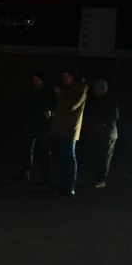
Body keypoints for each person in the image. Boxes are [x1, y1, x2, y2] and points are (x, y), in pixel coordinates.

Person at [47, 67, 88, 196]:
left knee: (69, 159)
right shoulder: (69, 89)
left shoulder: (80, 89)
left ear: (73, 77)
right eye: (63, 76)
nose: (64, 79)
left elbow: (71, 105)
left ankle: (70, 187)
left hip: (69, 130)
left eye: (67, 76)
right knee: (64, 159)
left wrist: (60, 93)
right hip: (60, 129)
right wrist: (52, 112)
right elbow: (62, 107)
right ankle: (64, 185)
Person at [15, 71, 56, 183]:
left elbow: (54, 106)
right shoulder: (30, 91)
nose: (35, 81)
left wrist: (51, 112)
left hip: (42, 126)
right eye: (34, 79)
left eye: (37, 79)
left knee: (44, 152)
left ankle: (46, 176)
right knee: (27, 150)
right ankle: (25, 173)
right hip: (30, 125)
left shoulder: (48, 92)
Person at [80, 78, 119, 188]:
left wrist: (102, 124)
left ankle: (101, 180)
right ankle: (97, 178)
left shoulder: (110, 101)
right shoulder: (96, 100)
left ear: (103, 89)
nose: (95, 90)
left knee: (104, 158)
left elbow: (113, 116)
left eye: (97, 88)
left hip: (107, 134)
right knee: (97, 157)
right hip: (97, 133)